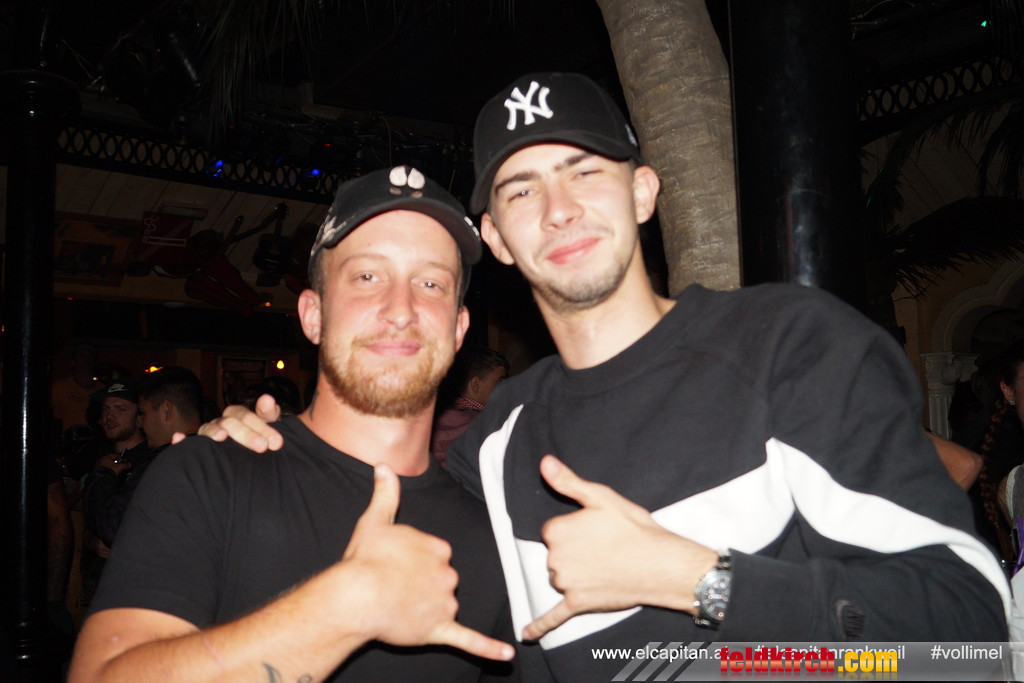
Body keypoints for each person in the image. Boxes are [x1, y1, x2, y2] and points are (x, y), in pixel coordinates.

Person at [199, 73, 1010, 679]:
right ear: (498, 239)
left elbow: (972, 640)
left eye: (585, 170)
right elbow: (375, 465)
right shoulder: (498, 440)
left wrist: (698, 579)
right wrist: (250, 436)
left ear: (644, 191)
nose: (559, 208)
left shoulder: (789, 348)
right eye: (522, 189)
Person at [68, 166, 518, 682]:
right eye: (367, 277)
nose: (401, 309)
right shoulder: (206, 475)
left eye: (431, 282)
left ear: (458, 329)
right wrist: (341, 609)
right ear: (313, 315)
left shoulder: (495, 537)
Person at [432, 346, 509, 466]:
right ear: (476, 385)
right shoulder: (482, 424)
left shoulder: (438, 418)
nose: (505, 388)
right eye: (499, 382)